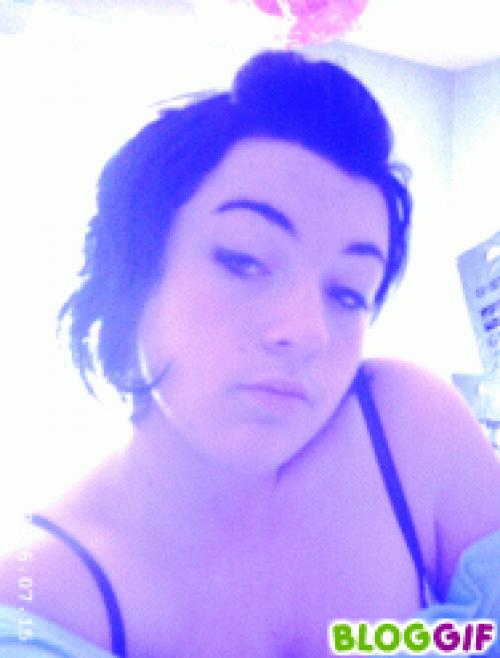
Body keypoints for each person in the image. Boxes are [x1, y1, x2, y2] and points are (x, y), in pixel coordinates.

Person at [1, 50, 499, 658]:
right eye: (244, 261)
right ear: (134, 272)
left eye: (348, 293)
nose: (308, 331)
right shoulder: (41, 598)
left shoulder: (406, 429)